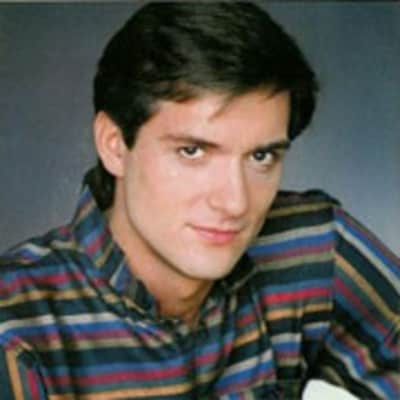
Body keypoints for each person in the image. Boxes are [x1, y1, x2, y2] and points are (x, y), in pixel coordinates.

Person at [0, 2, 398, 399]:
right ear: (114, 145)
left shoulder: (309, 251)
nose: (235, 203)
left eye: (261, 157)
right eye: (192, 151)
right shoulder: (17, 329)